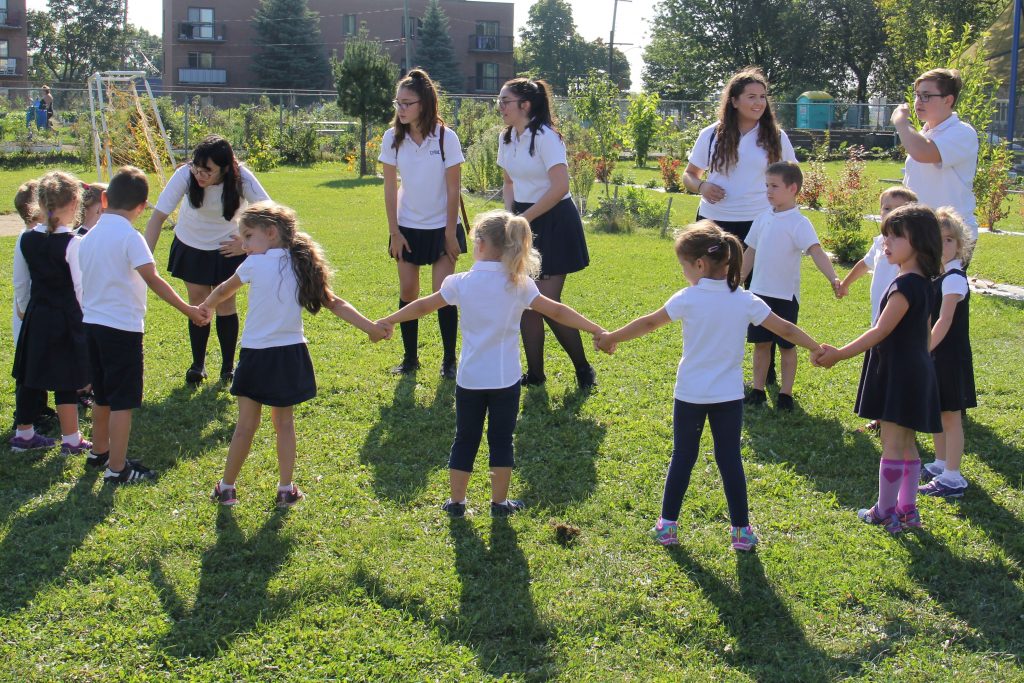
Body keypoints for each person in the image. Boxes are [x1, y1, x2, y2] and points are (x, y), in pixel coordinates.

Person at [596, 221, 821, 551]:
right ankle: (741, 532)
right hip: (728, 397)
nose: (683, 272)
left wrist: (612, 337)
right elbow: (785, 329)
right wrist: (816, 347)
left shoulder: (687, 298)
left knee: (683, 457)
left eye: (683, 266)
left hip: (689, 395)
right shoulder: (746, 300)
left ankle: (667, 527)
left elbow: (648, 323)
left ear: (699, 264)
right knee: (730, 460)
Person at [378, 210, 606, 518]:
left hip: (469, 380)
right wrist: (596, 329)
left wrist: (390, 319)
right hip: (505, 380)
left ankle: (456, 503)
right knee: (501, 440)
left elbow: (422, 305)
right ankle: (499, 504)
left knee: (464, 438)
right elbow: (558, 312)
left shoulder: (459, 282)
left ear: (481, 244)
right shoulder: (520, 284)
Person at [203, 202, 389, 507]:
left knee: (246, 425)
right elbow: (335, 303)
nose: (245, 245)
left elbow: (225, 289)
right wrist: (369, 328)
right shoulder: (301, 264)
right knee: (284, 424)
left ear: (271, 233)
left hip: (255, 355)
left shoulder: (252, 264)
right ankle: (285, 489)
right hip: (290, 355)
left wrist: (205, 307)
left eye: (248, 237)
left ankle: (226, 487)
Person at [815, 204, 944, 533]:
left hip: (898, 374)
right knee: (908, 443)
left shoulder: (904, 287)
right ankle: (907, 510)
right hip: (916, 370)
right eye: (885, 234)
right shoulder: (924, 283)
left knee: (891, 442)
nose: (885, 242)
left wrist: (840, 354)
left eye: (895, 236)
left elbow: (880, 331)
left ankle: (884, 510)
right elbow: (926, 333)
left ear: (918, 241)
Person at [78, 166, 209, 484]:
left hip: (91, 326)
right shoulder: (130, 237)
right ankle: (118, 468)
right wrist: (188, 309)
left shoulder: (88, 236)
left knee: (103, 395)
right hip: (121, 330)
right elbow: (154, 280)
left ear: (105, 199)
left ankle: (99, 452)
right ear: (141, 207)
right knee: (123, 400)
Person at [682, 67, 798, 385]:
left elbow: (792, 178)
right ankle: (710, 356)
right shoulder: (712, 134)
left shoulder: (775, 137)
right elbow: (689, 175)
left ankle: (766, 365)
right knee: (709, 289)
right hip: (713, 224)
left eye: (762, 97)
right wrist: (702, 186)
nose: (758, 102)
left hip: (759, 224)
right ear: (733, 101)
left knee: (757, 294)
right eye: (751, 96)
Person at [145, 135, 270, 385]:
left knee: (225, 304)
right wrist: (145, 259)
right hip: (191, 245)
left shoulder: (241, 177)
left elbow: (269, 211)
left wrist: (244, 244)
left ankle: (228, 368)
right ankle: (198, 365)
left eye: (208, 171)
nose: (200, 175)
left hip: (227, 249)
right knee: (198, 303)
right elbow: (157, 217)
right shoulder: (184, 175)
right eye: (197, 168)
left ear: (225, 168)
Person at [497, 77, 596, 389]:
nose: (499, 107)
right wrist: (511, 217)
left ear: (525, 105)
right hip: (524, 219)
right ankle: (536, 375)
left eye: (505, 101)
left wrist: (523, 219)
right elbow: (510, 182)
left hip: (554, 222)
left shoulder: (545, 137)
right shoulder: (507, 137)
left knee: (545, 302)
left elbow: (560, 187)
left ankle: (583, 370)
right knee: (524, 301)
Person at [379, 68, 466, 378]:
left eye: (407, 103)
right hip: (407, 228)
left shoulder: (446, 137)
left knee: (443, 294)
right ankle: (410, 358)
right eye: (397, 103)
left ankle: (449, 362)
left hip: (443, 227)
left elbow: (454, 188)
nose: (400, 109)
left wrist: (448, 234)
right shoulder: (392, 138)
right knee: (408, 292)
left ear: (425, 104)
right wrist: (394, 232)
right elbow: (390, 188)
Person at [740, 161, 840, 410]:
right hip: (758, 293)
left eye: (774, 186)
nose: (769, 191)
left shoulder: (799, 223)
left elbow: (816, 252)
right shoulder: (761, 219)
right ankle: (758, 389)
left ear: (792, 188)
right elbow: (750, 252)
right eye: (766, 186)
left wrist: (833, 277)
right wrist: (737, 279)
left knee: (787, 345)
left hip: (785, 296)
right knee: (761, 344)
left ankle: (785, 393)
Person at [10, 171, 91, 454]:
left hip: (37, 314)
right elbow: (80, 288)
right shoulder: (74, 242)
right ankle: (71, 439)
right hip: (67, 317)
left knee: (30, 375)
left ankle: (24, 434)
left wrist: (25, 308)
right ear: (73, 204)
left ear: (40, 204)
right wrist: (84, 318)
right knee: (66, 378)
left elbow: (20, 281)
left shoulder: (25, 239)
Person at [838, 185, 918, 433]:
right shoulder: (880, 243)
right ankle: (881, 418)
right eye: (886, 208)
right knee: (879, 371)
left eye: (899, 209)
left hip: (898, 322)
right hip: (879, 319)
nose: (890, 213)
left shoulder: (910, 247)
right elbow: (865, 264)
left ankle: (897, 417)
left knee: (893, 372)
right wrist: (846, 283)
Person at [919, 207, 976, 499]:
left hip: (949, 356)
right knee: (938, 412)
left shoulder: (954, 279)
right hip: (936, 354)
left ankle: (953, 477)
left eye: (950, 239)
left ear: (961, 245)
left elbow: (945, 319)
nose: (944, 245)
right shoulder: (936, 276)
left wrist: (926, 346)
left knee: (951, 417)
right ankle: (940, 464)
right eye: (938, 239)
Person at [892, 68, 979, 241]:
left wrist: (901, 122)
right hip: (920, 231)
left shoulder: (962, 132)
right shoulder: (923, 134)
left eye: (926, 96)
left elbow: (923, 153)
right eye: (917, 95)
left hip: (951, 236)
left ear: (948, 100)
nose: (918, 101)